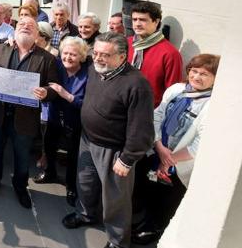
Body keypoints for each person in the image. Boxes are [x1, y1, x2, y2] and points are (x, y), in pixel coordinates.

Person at [62, 32, 154, 248]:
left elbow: (142, 129)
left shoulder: (137, 84)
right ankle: (85, 215)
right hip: (88, 139)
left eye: (105, 55)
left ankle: (118, 240)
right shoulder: (95, 69)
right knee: (84, 183)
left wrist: (127, 159)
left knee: (116, 199)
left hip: (114, 150)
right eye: (96, 53)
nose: (98, 58)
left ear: (122, 57)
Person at [132, 54, 220, 245]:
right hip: (158, 151)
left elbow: (199, 143)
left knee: (167, 199)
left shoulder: (212, 105)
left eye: (204, 74)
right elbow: (158, 115)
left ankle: (155, 229)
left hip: (178, 163)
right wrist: (160, 147)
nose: (196, 77)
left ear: (216, 78)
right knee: (149, 189)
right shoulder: (177, 90)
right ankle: (144, 221)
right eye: (194, 71)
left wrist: (170, 158)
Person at [0, 16, 59, 208]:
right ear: (14, 30)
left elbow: (54, 88)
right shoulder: (0, 49)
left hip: (25, 118)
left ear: (37, 34)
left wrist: (45, 92)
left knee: (22, 155)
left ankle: (20, 187)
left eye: (30, 26)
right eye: (21, 25)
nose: (25, 28)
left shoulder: (47, 59)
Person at [34, 37, 90, 208]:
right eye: (65, 53)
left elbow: (87, 104)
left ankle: (71, 187)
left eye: (73, 54)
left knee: (73, 155)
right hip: (54, 116)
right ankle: (49, 172)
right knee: (49, 146)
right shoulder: (56, 64)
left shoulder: (89, 73)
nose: (68, 57)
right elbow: (38, 51)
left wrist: (65, 94)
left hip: (76, 121)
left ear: (81, 56)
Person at [127, 1, 183, 107]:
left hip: (148, 113)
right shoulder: (125, 43)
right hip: (120, 107)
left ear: (156, 22)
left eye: (143, 20)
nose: (137, 24)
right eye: (134, 19)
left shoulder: (170, 53)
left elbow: (172, 92)